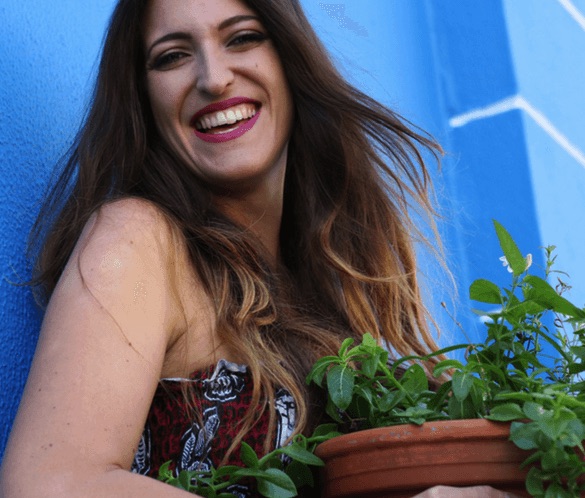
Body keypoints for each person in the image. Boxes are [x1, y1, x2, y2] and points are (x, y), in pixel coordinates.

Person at [0, 0, 511, 497]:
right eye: (172, 56)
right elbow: (51, 484)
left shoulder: (338, 300)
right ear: (142, 97)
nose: (213, 77)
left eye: (242, 38)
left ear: (290, 61)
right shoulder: (139, 241)